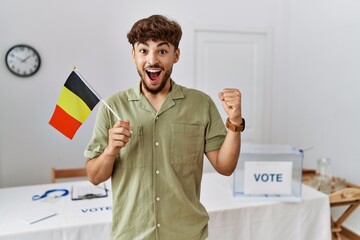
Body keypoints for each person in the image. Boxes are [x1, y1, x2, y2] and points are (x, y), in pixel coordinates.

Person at [84, 14, 244, 240]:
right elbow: (94, 176)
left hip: (187, 234)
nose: (152, 60)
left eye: (161, 51)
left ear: (175, 55)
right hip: (132, 235)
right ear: (133, 55)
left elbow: (225, 167)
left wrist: (235, 122)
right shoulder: (113, 107)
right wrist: (110, 150)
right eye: (143, 51)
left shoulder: (201, 104)